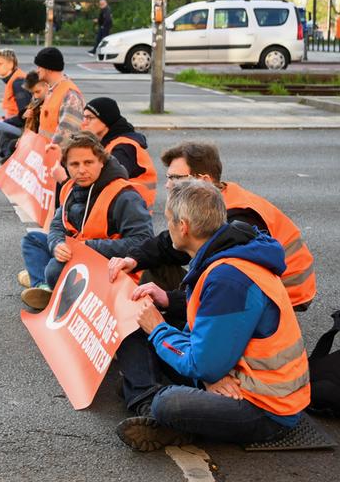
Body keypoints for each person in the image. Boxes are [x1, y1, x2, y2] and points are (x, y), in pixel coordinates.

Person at [113, 179, 310, 451]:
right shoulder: (224, 253)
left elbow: (203, 360)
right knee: (134, 327)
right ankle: (150, 403)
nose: (167, 227)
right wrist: (207, 374)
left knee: (169, 403)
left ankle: (154, 406)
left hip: (264, 407)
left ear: (183, 227)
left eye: (169, 220)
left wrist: (159, 329)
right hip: (232, 373)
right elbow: (205, 339)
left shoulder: (229, 278)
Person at [108, 141, 317, 311]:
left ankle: (169, 335)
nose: (168, 184)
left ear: (204, 180)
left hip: (284, 293)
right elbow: (172, 243)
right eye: (168, 177)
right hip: (253, 285)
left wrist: (169, 300)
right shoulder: (213, 199)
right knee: (158, 264)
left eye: (175, 178)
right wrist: (133, 259)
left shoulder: (236, 219)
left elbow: (224, 288)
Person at [18, 131, 154, 309]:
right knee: (33, 240)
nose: (81, 170)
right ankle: (44, 288)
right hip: (77, 251)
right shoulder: (70, 187)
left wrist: (86, 248)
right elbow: (58, 224)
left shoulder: (124, 195)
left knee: (53, 269)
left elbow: (143, 241)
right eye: (74, 164)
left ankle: (44, 282)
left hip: (111, 263)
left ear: (101, 162)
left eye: (88, 163)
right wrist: (57, 245)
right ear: (66, 166)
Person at [79, 97, 158, 208]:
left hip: (130, 211)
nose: (84, 123)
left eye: (90, 118)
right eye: (84, 117)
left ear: (106, 120)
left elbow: (104, 179)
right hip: (122, 207)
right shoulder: (107, 142)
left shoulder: (124, 147)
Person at [33, 47, 83, 145]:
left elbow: (66, 136)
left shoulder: (70, 95)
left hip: (55, 156)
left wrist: (50, 153)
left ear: (48, 69)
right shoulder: (51, 89)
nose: (37, 70)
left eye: (39, 67)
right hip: (43, 151)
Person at [0, 71, 47, 161]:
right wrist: (24, 115)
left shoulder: (48, 102)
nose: (35, 96)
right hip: (28, 134)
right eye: (33, 93)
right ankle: (7, 153)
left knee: (12, 144)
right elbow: (25, 113)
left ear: (46, 86)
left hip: (36, 139)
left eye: (37, 91)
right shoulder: (36, 99)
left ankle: (8, 154)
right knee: (4, 134)